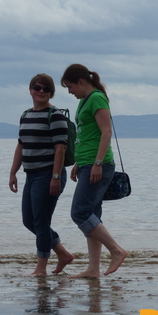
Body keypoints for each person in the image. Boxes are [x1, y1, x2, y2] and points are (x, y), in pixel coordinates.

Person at [61, 64, 128, 278]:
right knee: (92, 216)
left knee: (79, 212)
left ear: (80, 81)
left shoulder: (97, 98)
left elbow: (106, 133)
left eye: (70, 86)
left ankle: (116, 251)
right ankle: (93, 269)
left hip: (98, 165)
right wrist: (79, 162)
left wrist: (97, 163)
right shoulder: (84, 101)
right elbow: (87, 135)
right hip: (87, 163)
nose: (69, 92)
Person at [9, 73, 75, 276]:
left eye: (46, 89)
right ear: (30, 90)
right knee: (29, 221)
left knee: (41, 222)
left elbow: (60, 149)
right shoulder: (26, 115)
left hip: (48, 175)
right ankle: (63, 254)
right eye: (37, 87)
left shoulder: (54, 115)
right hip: (31, 176)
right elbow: (21, 145)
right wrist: (13, 173)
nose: (41, 92)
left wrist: (55, 177)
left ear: (51, 93)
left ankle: (41, 268)